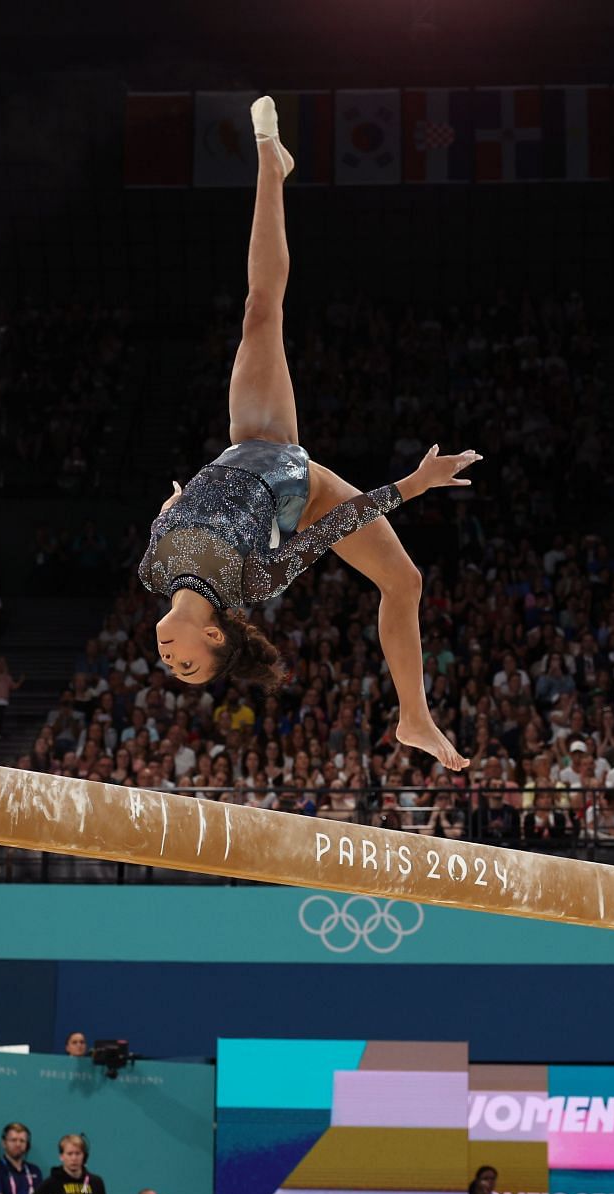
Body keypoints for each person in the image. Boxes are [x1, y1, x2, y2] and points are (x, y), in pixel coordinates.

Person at [137, 96, 479, 773]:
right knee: (403, 582)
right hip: (303, 483)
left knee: (260, 310)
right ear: (213, 634)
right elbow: (333, 527)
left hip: (249, 437)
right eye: (188, 666)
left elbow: (172, 515)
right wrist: (416, 484)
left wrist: (177, 503)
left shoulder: (152, 569)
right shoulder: (253, 582)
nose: (170, 662)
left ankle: (273, 161)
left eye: (171, 667)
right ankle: (414, 716)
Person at [23, 1132, 113, 1194]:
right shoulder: (52, 1182)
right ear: (61, 1157)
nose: (74, 1158)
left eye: (78, 1153)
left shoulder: (96, 1182)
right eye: (70, 1154)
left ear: (84, 1156)